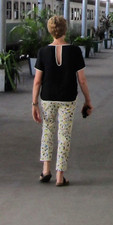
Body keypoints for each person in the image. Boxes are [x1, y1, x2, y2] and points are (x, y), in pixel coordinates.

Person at [32, 15, 92, 187]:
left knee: (47, 131)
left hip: (47, 98)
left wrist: (34, 103)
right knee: (64, 135)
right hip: (68, 98)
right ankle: (60, 176)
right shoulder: (75, 51)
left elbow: (37, 81)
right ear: (65, 30)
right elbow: (82, 80)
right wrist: (88, 100)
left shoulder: (43, 52)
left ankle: (45, 171)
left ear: (50, 30)